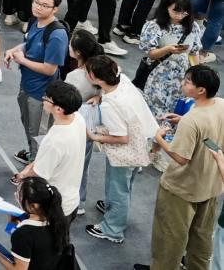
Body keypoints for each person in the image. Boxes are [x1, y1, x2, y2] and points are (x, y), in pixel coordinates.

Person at [149, 65, 224, 270]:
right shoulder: (220, 105)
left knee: (169, 242)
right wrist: (182, 122)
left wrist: (159, 139)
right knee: (201, 241)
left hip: (181, 190)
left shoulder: (192, 120)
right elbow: (208, 129)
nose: (183, 83)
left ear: (201, 90)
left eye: (188, 81)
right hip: (210, 186)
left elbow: (181, 158)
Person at [82, 53, 156, 245]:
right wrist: (99, 96)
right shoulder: (121, 79)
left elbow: (122, 137)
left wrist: (95, 136)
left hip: (125, 152)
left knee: (118, 189)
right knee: (124, 186)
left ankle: (113, 228)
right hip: (140, 141)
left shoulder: (110, 105)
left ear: (96, 78)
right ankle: (113, 209)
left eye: (88, 72)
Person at [6, 0, 67, 162]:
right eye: (36, 2)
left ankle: (36, 167)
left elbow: (50, 69)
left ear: (55, 9)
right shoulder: (35, 21)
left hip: (41, 94)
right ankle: (33, 156)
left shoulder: (57, 35)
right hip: (27, 85)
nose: (38, 7)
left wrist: (22, 60)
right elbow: (29, 43)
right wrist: (13, 50)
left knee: (38, 133)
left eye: (45, 5)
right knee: (28, 125)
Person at [13, 80, 87, 216]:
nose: (43, 99)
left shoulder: (55, 141)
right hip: (72, 198)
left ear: (58, 109)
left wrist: (23, 175)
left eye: (47, 98)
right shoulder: (78, 118)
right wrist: (29, 167)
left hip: (56, 207)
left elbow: (40, 172)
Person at [0, 176, 75, 270]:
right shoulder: (59, 221)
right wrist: (15, 226)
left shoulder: (23, 234)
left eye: (19, 196)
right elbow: (37, 242)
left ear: (33, 206)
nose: (16, 196)